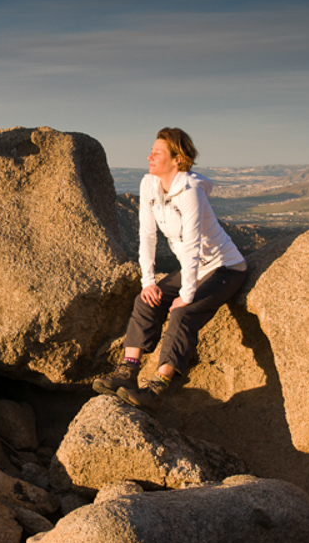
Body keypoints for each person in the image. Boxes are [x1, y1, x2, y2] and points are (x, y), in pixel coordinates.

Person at [93, 127, 248, 412]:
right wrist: (148, 281)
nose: (149, 156)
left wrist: (187, 294)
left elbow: (191, 246)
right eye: (151, 151)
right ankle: (126, 374)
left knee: (182, 312)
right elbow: (147, 236)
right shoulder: (149, 184)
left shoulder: (190, 192)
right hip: (197, 269)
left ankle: (157, 388)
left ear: (177, 160)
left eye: (157, 153)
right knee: (146, 300)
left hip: (225, 268)